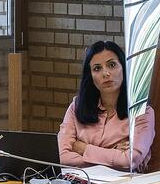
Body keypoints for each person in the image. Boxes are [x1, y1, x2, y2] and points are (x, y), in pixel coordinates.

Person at [58, 40, 154, 172]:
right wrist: (111, 156)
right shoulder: (76, 107)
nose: (105, 73)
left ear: (124, 68)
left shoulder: (142, 112)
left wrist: (83, 148)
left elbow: (130, 161)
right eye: (97, 68)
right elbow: (62, 157)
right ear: (90, 76)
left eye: (112, 65)